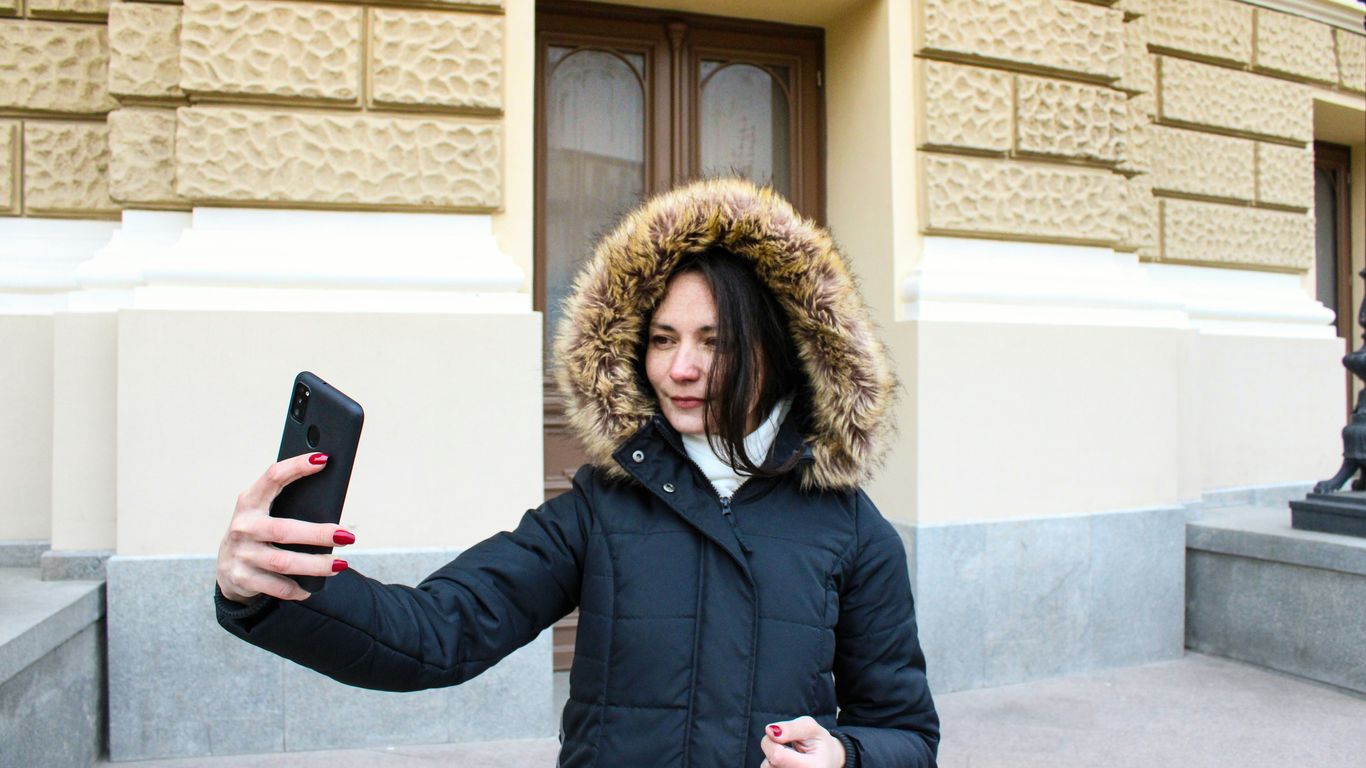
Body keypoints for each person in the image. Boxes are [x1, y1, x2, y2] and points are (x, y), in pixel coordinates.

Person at [215, 178, 940, 767]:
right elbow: (442, 630)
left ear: (776, 353)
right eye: (661, 339)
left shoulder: (849, 529)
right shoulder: (600, 506)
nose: (679, 369)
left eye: (712, 343)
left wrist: (844, 756)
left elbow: (906, 735)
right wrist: (280, 589)